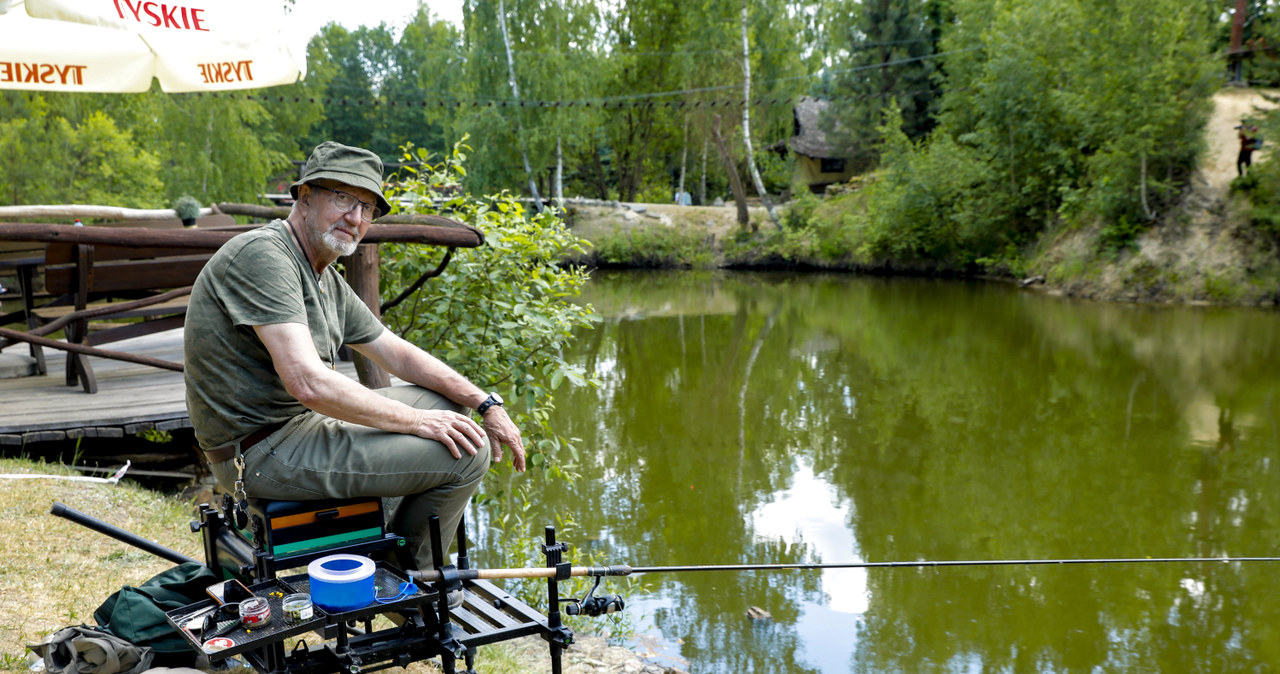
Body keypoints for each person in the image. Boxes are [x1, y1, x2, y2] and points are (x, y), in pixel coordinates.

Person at [184, 141, 525, 574]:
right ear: (304, 197)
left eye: (367, 207)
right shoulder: (265, 256)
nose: (356, 218)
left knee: (451, 408)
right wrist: (418, 423)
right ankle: (414, 583)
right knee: (468, 452)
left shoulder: (322, 273)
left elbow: (395, 353)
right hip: (258, 452)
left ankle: (389, 549)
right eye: (343, 198)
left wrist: (484, 403)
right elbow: (308, 383)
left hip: (294, 429)